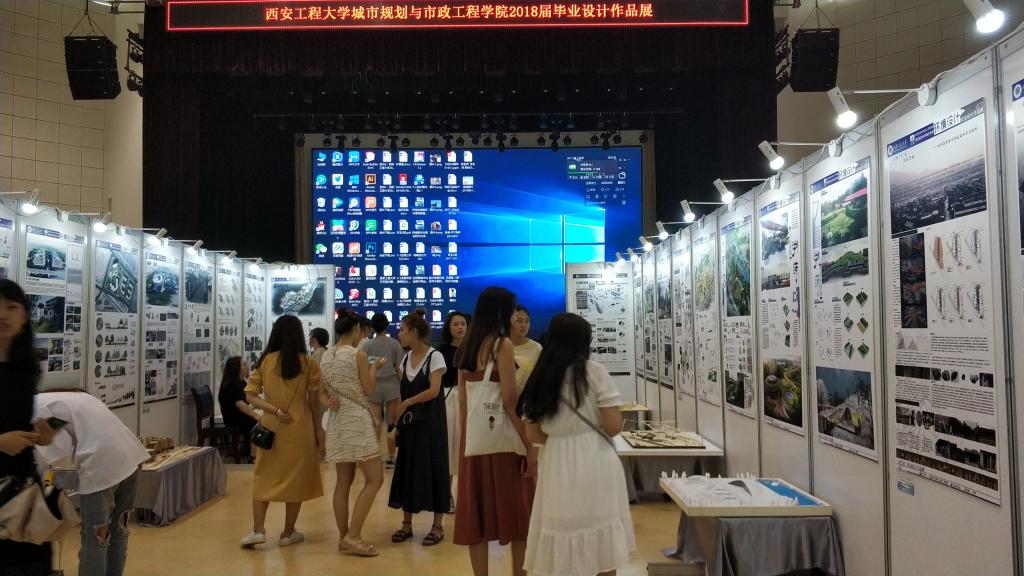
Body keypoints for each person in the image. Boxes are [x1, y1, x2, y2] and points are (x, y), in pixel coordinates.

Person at [517, 313, 635, 576]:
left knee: (561, 529)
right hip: (596, 457)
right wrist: (583, 434)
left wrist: (561, 436)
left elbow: (533, 434)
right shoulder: (594, 372)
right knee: (602, 537)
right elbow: (614, 425)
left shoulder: (539, 376)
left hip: (557, 459)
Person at [454, 287, 537, 576]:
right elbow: (510, 400)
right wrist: (529, 445)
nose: (516, 317)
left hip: (474, 440)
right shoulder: (502, 345)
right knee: (518, 512)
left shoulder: (467, 345)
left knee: (474, 515)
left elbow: (463, 401)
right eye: (513, 311)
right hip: (504, 442)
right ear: (502, 312)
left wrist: (466, 440)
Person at [33, 389, 151, 576]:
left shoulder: (36, 407)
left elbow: (58, 452)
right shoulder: (66, 398)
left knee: (95, 538)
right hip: (131, 458)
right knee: (118, 530)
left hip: (101, 467)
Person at [241, 315, 325, 548]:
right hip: (300, 425)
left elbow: (250, 396)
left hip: (271, 425)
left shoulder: (266, 361)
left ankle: (258, 530)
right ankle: (288, 533)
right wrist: (319, 430)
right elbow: (314, 402)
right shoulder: (309, 363)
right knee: (296, 479)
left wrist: (274, 410)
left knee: (263, 476)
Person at [320, 311, 386, 557]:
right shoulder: (358, 355)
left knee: (342, 483)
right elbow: (368, 389)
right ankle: (354, 535)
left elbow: (322, 393)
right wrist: (374, 368)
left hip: (337, 421)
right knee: (375, 479)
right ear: (357, 328)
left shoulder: (326, 356)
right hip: (357, 420)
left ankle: (343, 537)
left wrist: (330, 402)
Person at [0, 279, 52, 576]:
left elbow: (15, 421)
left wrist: (40, 435)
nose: (2, 314)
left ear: (24, 316)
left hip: (23, 488)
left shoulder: (27, 367)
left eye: (11, 307)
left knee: (32, 564)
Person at [388, 310, 450, 546]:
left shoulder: (435, 357)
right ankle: (407, 524)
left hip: (431, 422)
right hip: (411, 425)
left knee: (435, 466)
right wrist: (398, 416)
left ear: (415, 332)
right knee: (408, 467)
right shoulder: (405, 359)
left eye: (402, 330)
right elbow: (403, 390)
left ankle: (437, 526)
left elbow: (434, 391)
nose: (399, 334)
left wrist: (408, 402)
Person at [360, 312, 405, 467]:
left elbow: (364, 367)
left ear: (372, 327)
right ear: (387, 325)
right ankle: (391, 457)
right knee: (391, 422)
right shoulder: (394, 343)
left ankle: (375, 455)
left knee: (375, 422)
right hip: (392, 385)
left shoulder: (367, 345)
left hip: (374, 385)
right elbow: (399, 368)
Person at [438, 311, 469, 512]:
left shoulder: (474, 348)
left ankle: (466, 497)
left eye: (463, 324)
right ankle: (447, 496)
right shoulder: (441, 351)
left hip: (471, 400)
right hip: (449, 401)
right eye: (455, 324)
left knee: (466, 448)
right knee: (449, 448)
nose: (459, 327)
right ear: (449, 328)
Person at [218, 356, 259, 462]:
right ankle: (253, 455)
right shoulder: (231, 385)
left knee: (259, 418)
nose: (246, 366)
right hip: (233, 418)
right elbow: (240, 405)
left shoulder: (239, 382)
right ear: (237, 368)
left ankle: (250, 451)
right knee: (257, 423)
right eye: (243, 364)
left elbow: (250, 397)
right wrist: (256, 415)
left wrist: (262, 405)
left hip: (240, 415)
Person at [511, 305, 543, 391]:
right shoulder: (501, 346)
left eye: (527, 321)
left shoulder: (536, 348)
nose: (524, 325)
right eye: (519, 321)